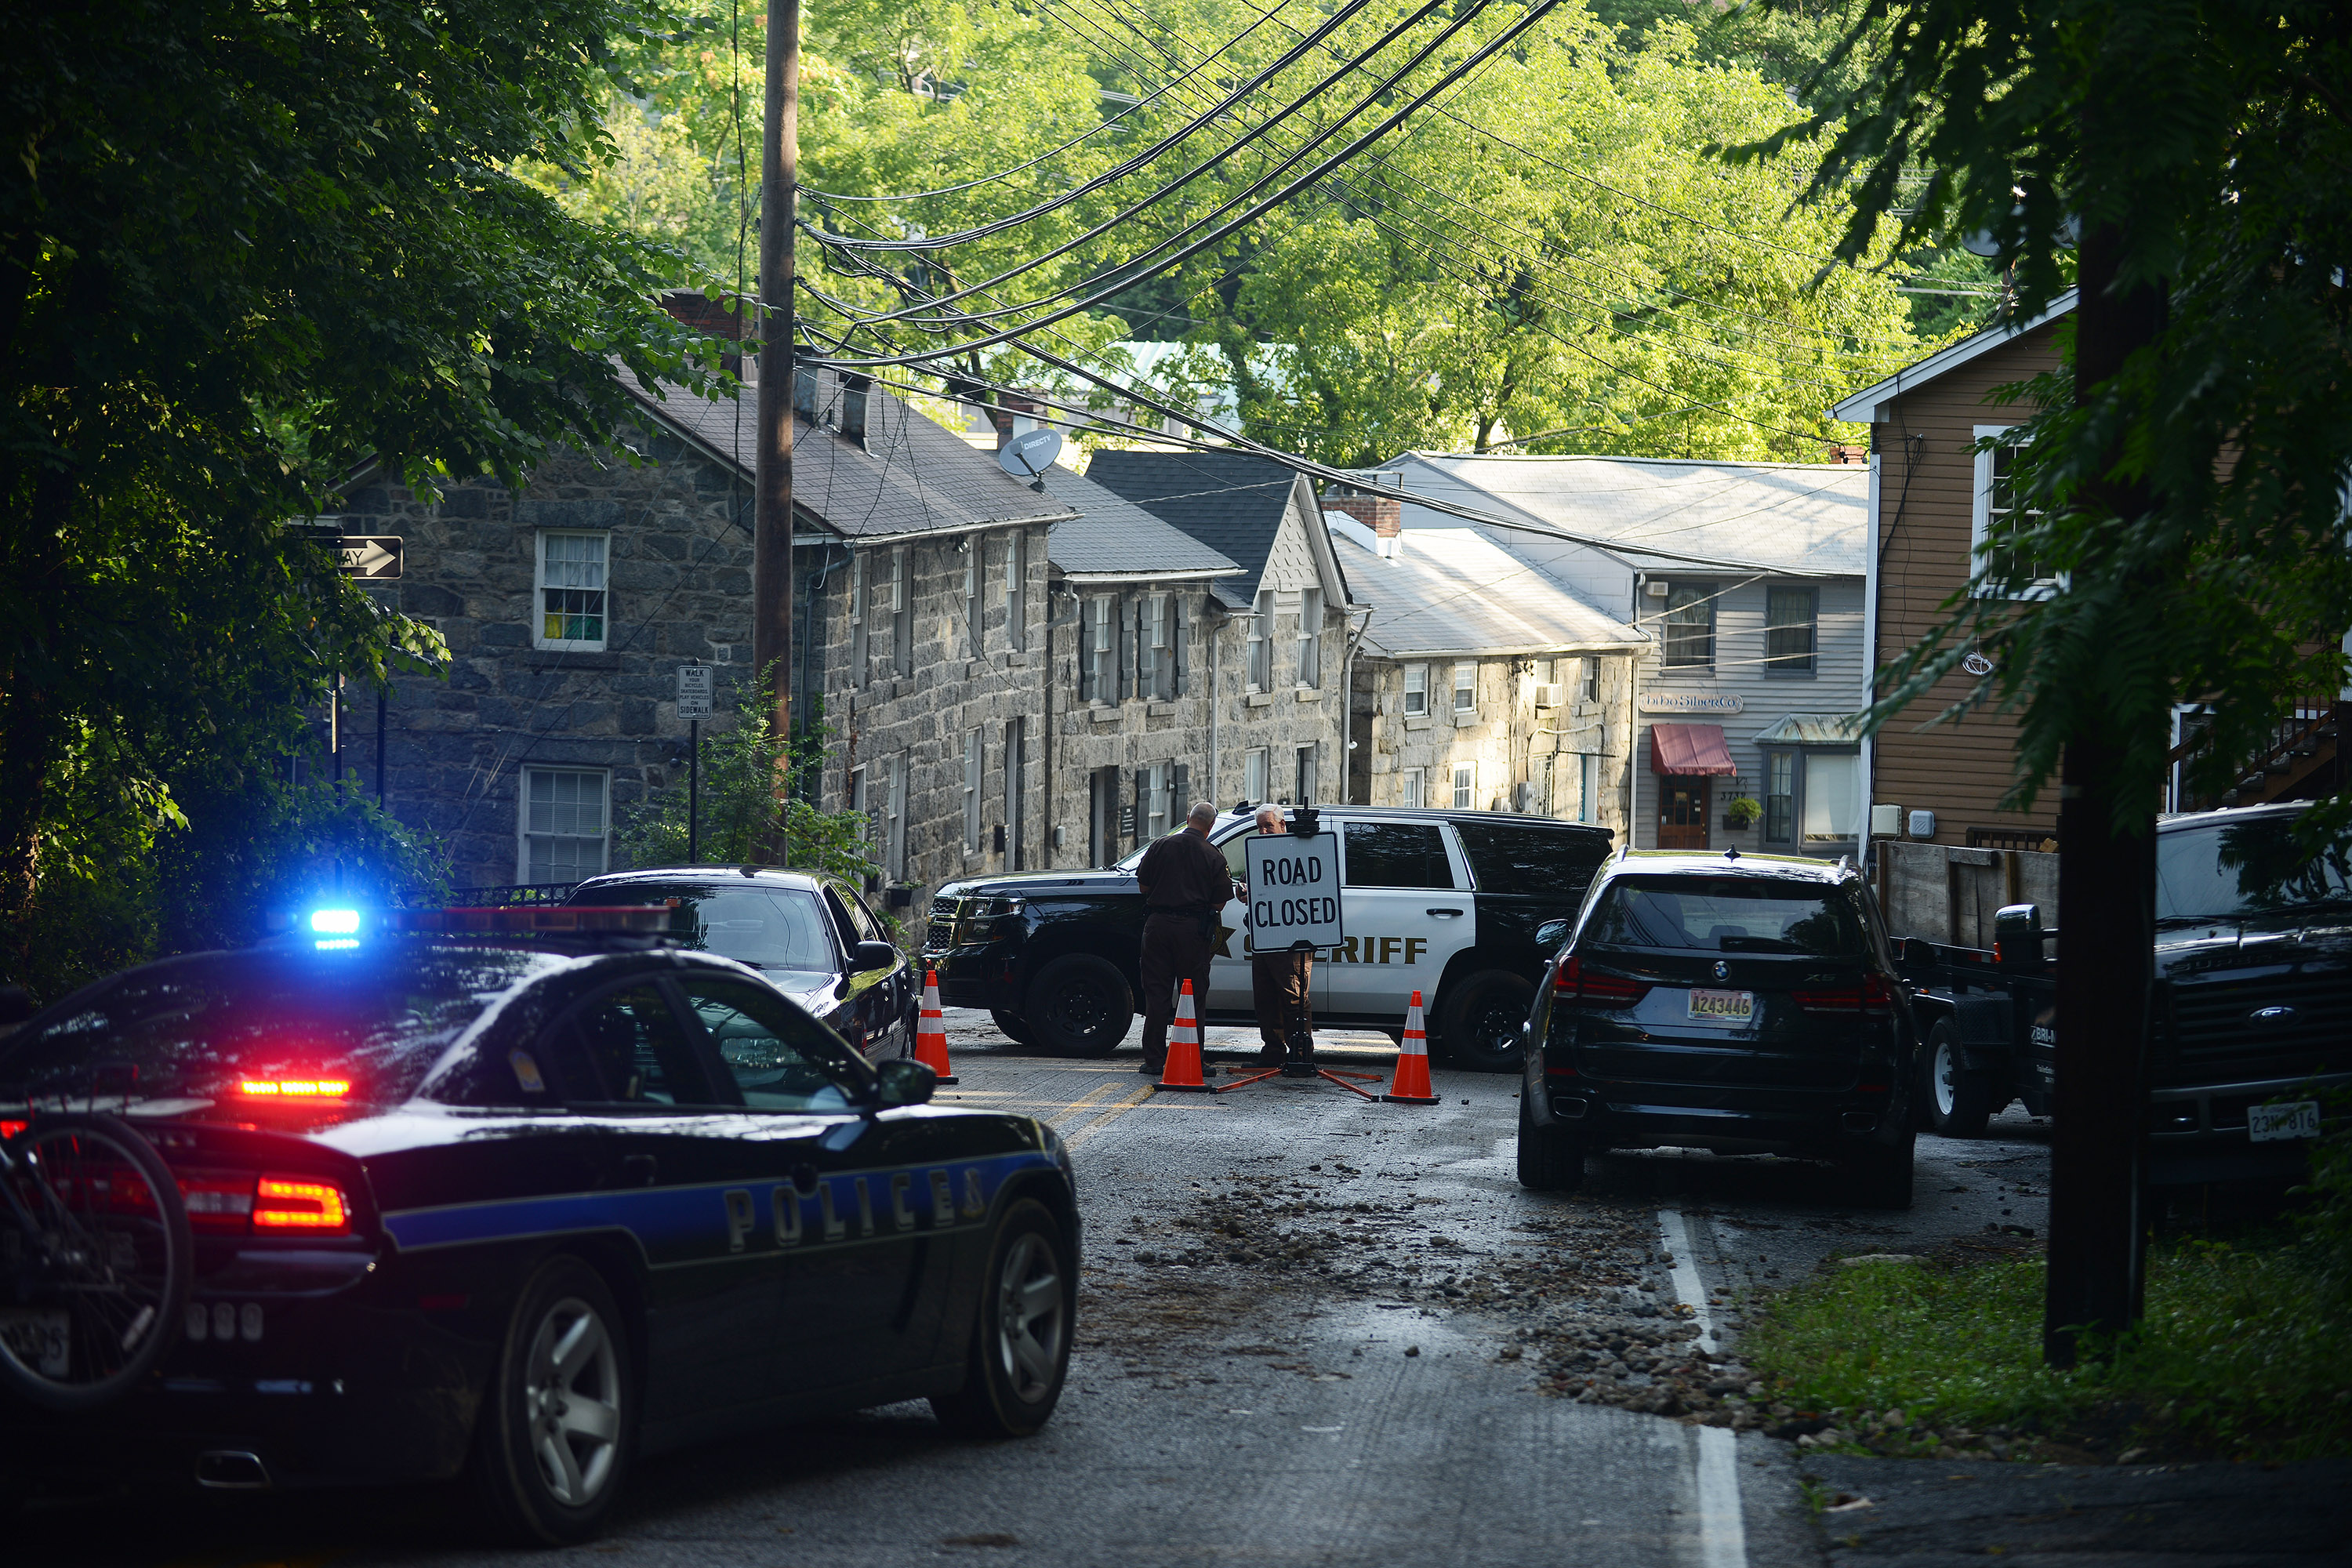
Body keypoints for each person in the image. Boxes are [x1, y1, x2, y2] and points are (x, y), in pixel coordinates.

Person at [1134, 800, 1238, 1076]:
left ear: (1188, 817)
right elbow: (1219, 904)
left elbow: (1143, 885)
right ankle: (1193, 1057)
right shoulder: (1213, 855)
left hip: (1157, 927)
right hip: (1192, 932)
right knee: (1193, 995)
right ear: (1211, 826)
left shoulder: (1159, 845)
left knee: (1156, 994)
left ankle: (1154, 1059)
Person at [1245, 804, 1314, 1069]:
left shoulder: (1299, 851)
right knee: (1265, 999)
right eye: (1260, 826)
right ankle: (1273, 1051)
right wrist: (1245, 893)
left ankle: (1300, 1054)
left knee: (1294, 999)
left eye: (1268, 826)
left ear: (1283, 826)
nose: (1263, 831)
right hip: (1264, 939)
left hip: (1292, 941)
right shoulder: (1257, 853)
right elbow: (1250, 884)